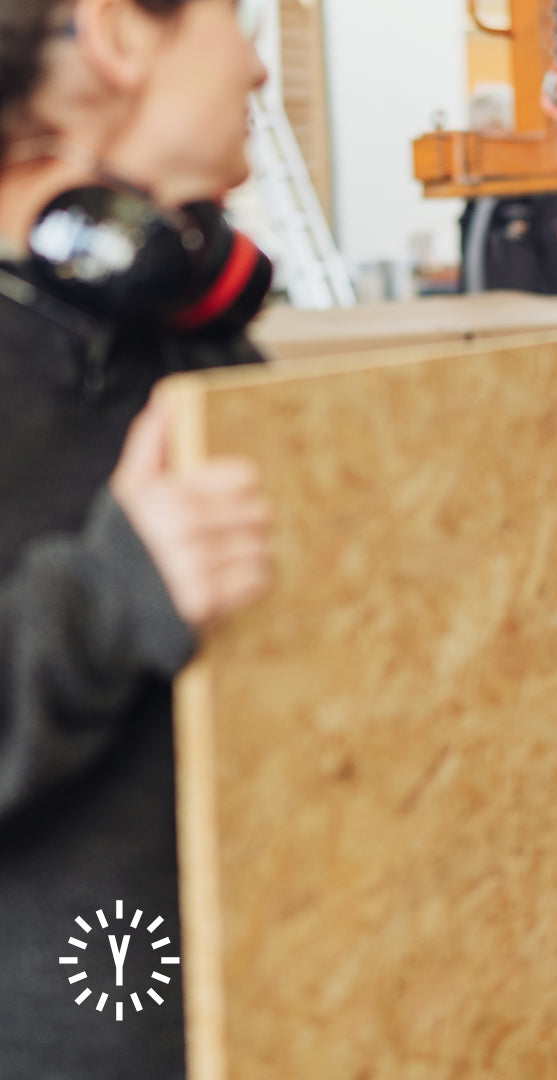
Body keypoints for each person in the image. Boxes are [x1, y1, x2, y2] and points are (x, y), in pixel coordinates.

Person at [0, 1, 273, 1077]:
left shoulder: (171, 328)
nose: (257, 65)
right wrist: (115, 595)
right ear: (119, 34)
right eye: (235, 21)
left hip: (277, 992)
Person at [458, 85, 557, 296]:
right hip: (482, 318)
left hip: (530, 320)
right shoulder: (481, 195)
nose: (484, 147)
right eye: (479, 136)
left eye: (492, 133)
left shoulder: (549, 190)